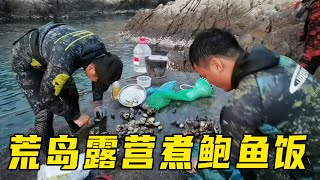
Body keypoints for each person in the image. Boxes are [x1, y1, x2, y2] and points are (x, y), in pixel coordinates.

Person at [188, 29, 320, 179]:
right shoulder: (282, 61)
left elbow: (229, 160)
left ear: (217, 65)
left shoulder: (240, 107)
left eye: (205, 76)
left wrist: (198, 165)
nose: (208, 81)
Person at [11, 22, 123, 154]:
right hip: (27, 62)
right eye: (99, 80)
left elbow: (101, 76)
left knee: (71, 95)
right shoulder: (64, 61)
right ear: (91, 68)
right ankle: (50, 154)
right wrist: (76, 115)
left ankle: (76, 131)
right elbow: (47, 98)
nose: (99, 83)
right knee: (44, 113)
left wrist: (97, 103)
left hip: (52, 55)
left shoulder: (100, 52)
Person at [298, 0, 320, 74]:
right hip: (313, 50)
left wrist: (302, 37)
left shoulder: (313, 6)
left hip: (312, 51)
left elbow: (304, 32)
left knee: (300, 78)